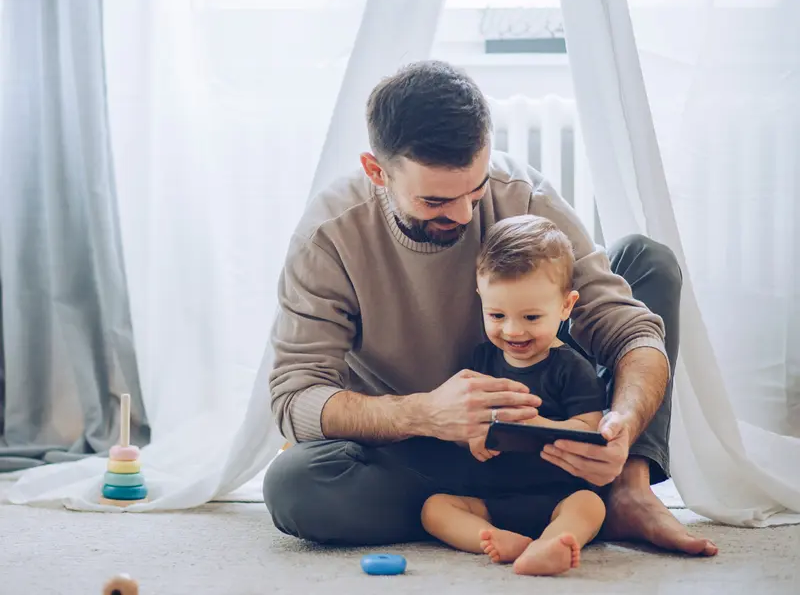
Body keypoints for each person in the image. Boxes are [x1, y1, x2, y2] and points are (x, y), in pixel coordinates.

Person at [263, 59, 717, 557]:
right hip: (424, 453)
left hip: (551, 443)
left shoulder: (523, 196)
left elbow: (628, 330)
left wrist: (621, 426)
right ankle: (530, 509)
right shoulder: (329, 236)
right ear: (377, 172)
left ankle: (626, 489)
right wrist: (424, 413)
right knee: (295, 486)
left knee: (648, 262)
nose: (463, 215)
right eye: (435, 202)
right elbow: (295, 397)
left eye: (475, 190)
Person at [420, 215, 607, 576]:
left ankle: (553, 542)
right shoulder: (481, 360)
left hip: (557, 495)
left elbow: (590, 430)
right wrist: (471, 436)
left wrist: (540, 426)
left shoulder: (571, 367)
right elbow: (460, 419)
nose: (512, 330)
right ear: (481, 300)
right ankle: (497, 539)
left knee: (590, 505)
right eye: (497, 314)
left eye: (531, 317)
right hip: (490, 498)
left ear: (566, 306)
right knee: (435, 508)